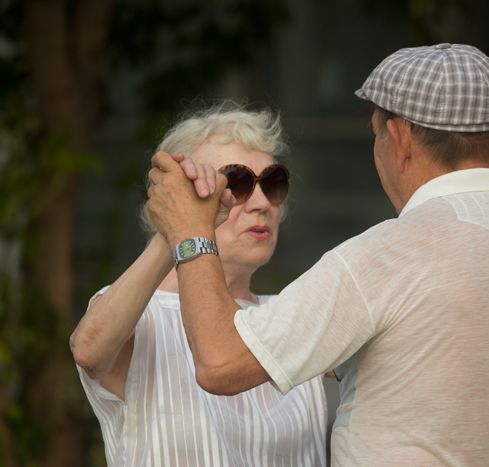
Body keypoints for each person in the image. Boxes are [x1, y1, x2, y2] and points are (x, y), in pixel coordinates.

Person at [146, 45, 489, 465]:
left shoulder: (382, 256)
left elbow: (219, 364)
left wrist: (191, 231)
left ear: (399, 137)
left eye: (376, 132)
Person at [70, 106, 328, 467]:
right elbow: (88, 350)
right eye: (235, 184)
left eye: (272, 184)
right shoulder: (142, 314)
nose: (261, 204)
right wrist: (179, 225)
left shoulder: (294, 312)